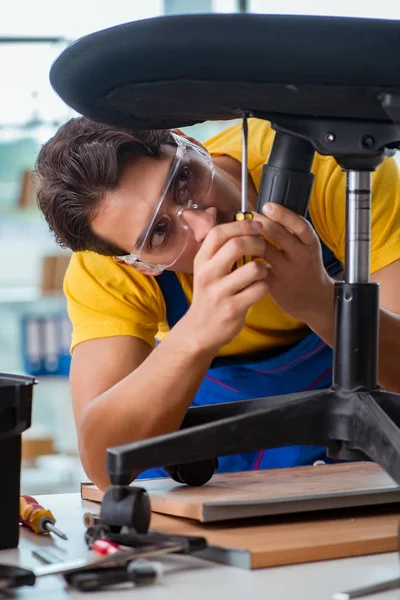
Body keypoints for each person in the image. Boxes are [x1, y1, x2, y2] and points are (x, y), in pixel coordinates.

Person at [35, 117, 400, 491]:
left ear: (189, 141)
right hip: (220, 474)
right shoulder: (109, 264)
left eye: (183, 180)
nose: (205, 223)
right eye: (160, 233)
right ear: (139, 267)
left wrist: (323, 304)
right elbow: (104, 463)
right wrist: (195, 334)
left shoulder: (335, 166)